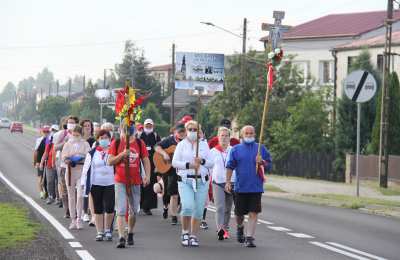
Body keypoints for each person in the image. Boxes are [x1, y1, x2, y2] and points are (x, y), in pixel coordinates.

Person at [225, 125, 272, 248]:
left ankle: (249, 237)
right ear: (242, 135)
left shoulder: (260, 148)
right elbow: (230, 166)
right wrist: (228, 181)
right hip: (241, 187)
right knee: (239, 214)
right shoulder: (236, 149)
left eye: (251, 133)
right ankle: (240, 227)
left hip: (256, 187)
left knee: (254, 212)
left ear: (255, 135)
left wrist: (262, 162)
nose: (249, 135)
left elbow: (269, 165)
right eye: (247, 133)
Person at [107, 123, 151, 248]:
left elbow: (146, 160)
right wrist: (122, 155)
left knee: (134, 211)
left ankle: (130, 232)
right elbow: (110, 161)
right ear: (120, 130)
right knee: (121, 210)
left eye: (129, 130)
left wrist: (147, 175)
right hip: (120, 180)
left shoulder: (139, 143)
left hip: (135, 181)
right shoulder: (116, 143)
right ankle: (121, 237)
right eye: (124, 129)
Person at [172, 120, 214, 247]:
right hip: (186, 180)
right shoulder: (181, 145)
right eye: (190, 129)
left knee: (199, 211)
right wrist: (188, 165)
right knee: (188, 206)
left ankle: (193, 235)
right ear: (186, 131)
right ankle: (185, 232)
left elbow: (211, 163)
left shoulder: (203, 145)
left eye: (195, 129)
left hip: (201, 180)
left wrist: (202, 161)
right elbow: (174, 163)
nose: (192, 132)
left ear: (199, 131)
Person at [81, 129, 115, 241]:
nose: (104, 140)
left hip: (110, 183)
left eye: (106, 138)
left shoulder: (114, 152)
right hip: (96, 183)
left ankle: (107, 230)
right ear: (98, 139)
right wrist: (84, 184)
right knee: (98, 208)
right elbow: (86, 169)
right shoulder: (92, 153)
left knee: (110, 208)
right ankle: (99, 232)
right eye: (102, 138)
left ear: (110, 139)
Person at [155, 123, 186, 225]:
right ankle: (173, 215)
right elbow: (157, 146)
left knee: (180, 194)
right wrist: (164, 154)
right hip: (171, 170)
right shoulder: (169, 140)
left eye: (183, 132)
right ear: (175, 132)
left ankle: (178, 211)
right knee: (173, 193)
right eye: (179, 132)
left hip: (184, 170)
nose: (182, 134)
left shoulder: (187, 142)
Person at [61, 125, 91, 230]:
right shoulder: (68, 144)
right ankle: (73, 219)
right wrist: (68, 160)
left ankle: (79, 218)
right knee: (71, 196)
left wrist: (80, 157)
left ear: (81, 134)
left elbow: (88, 156)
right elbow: (64, 156)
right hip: (70, 171)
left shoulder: (85, 144)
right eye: (74, 135)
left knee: (79, 196)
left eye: (77, 135)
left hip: (81, 171)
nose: (75, 137)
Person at [211, 127, 234, 240]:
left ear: (229, 137)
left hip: (231, 182)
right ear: (218, 137)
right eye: (222, 136)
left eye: (226, 136)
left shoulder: (233, 150)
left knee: (228, 208)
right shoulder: (213, 151)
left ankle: (225, 229)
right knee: (220, 207)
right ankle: (220, 228)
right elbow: (209, 168)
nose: (224, 138)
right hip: (218, 183)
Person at [54, 116, 79, 218]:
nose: (70, 124)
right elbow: (55, 147)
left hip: (77, 166)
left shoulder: (79, 133)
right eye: (69, 122)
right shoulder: (63, 134)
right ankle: (67, 210)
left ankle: (76, 210)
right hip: (64, 165)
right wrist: (64, 143)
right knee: (65, 189)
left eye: (72, 122)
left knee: (76, 189)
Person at [138, 118, 161, 215]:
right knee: (140, 185)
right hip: (140, 163)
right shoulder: (139, 136)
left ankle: (148, 207)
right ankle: (138, 205)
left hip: (152, 163)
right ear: (144, 126)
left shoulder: (156, 136)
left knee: (151, 185)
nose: (148, 127)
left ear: (153, 126)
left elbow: (160, 148)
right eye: (147, 125)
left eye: (150, 125)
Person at [80, 119, 96, 225]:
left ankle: (87, 212)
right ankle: (82, 211)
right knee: (80, 190)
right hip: (79, 166)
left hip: (90, 167)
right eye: (85, 126)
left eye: (89, 126)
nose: (87, 127)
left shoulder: (94, 140)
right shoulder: (79, 140)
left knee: (88, 189)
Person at [40, 126, 58, 205]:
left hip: (58, 164)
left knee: (58, 182)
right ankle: (51, 196)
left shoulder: (61, 140)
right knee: (50, 181)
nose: (53, 132)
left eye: (55, 130)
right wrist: (41, 162)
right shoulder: (49, 141)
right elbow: (46, 152)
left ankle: (58, 198)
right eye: (52, 130)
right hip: (49, 164)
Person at [33, 126, 50, 199]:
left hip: (48, 161)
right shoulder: (39, 140)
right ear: (42, 132)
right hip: (40, 161)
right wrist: (35, 162)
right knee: (40, 177)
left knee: (47, 179)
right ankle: (41, 192)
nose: (46, 133)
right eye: (44, 132)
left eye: (47, 132)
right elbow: (36, 152)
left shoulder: (50, 140)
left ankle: (47, 192)